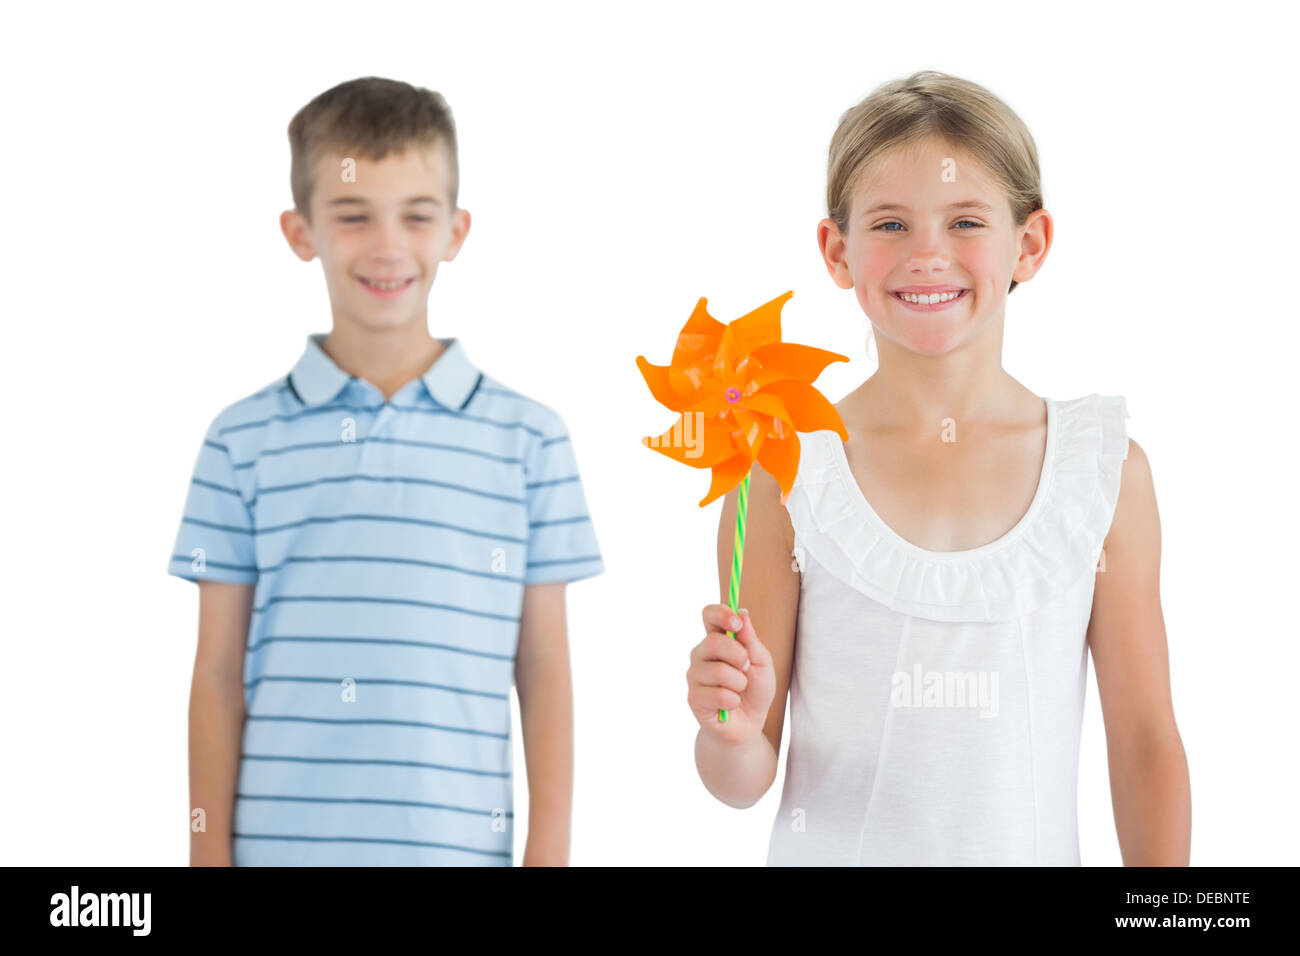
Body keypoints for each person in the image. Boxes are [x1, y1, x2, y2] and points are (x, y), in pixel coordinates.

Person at [686, 71, 1190, 865]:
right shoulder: (782, 472)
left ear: (1029, 244)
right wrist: (731, 728)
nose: (927, 255)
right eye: (889, 224)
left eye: (964, 221)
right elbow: (741, 778)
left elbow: (1146, 741)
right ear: (836, 250)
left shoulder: (1102, 472)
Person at [168, 77, 604, 866]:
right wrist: (206, 858)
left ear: (456, 231)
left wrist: (550, 856)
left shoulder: (530, 441)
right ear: (301, 232)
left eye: (416, 214)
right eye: (352, 214)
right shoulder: (240, 441)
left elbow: (543, 669)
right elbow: (217, 672)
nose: (387, 246)